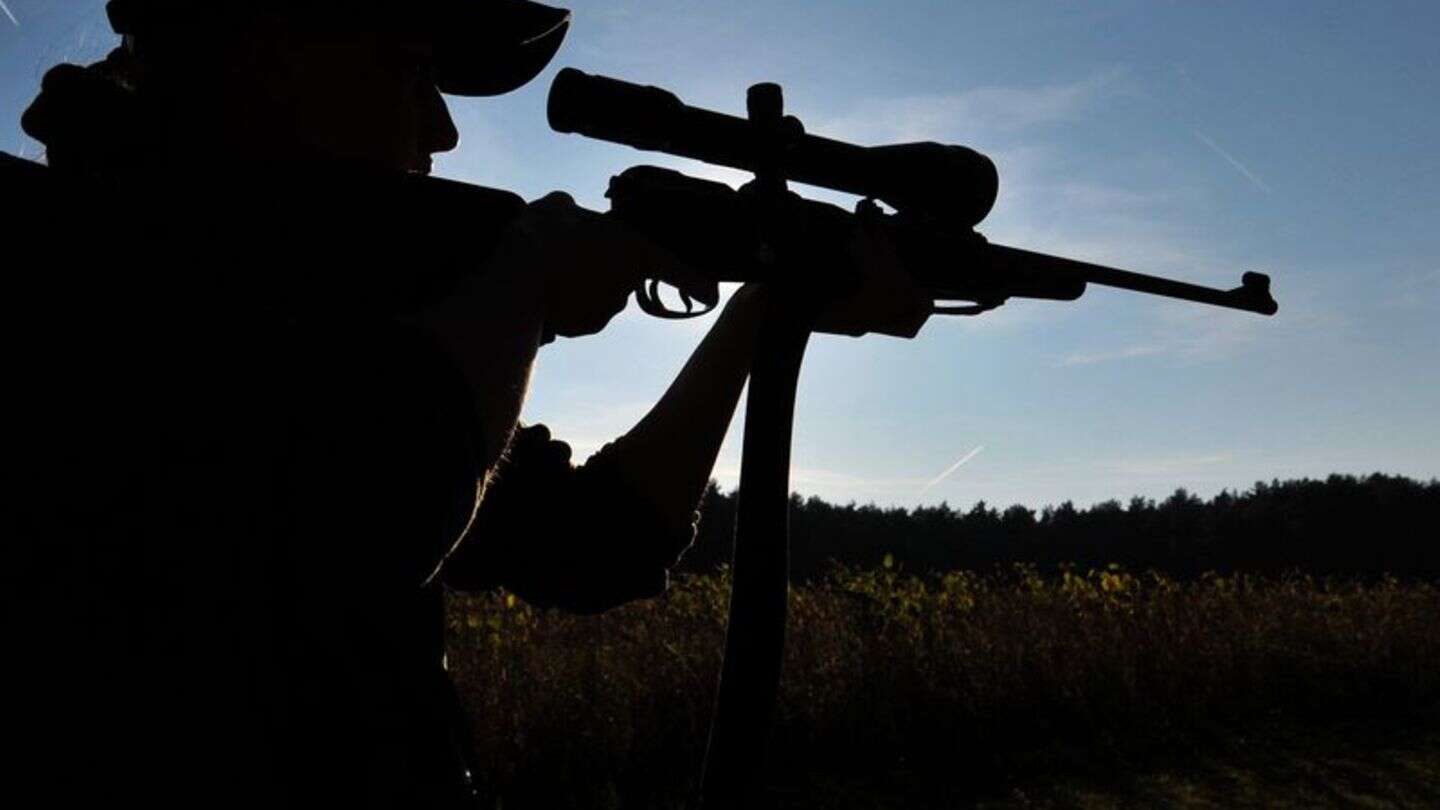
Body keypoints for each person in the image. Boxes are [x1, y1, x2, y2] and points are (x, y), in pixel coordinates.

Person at [3, 1, 930, 806]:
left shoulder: (335, 327)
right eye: (411, 69)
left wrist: (765, 313)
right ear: (265, 48)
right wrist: (523, 281)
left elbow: (597, 543)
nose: (441, 131)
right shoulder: (69, 278)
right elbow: (352, 533)